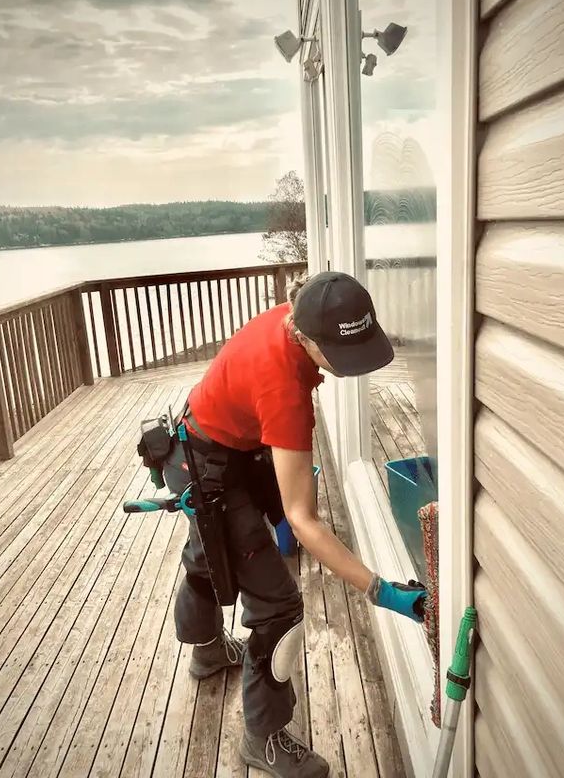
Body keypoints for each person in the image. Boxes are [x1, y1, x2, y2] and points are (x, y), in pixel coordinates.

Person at [163, 271, 426, 778]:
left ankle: (207, 651)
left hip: (206, 441)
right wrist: (381, 591)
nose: (352, 368)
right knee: (279, 606)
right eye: (342, 354)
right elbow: (302, 521)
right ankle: (261, 739)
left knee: (212, 549)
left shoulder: (293, 318)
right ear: (305, 338)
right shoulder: (282, 388)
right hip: (204, 461)